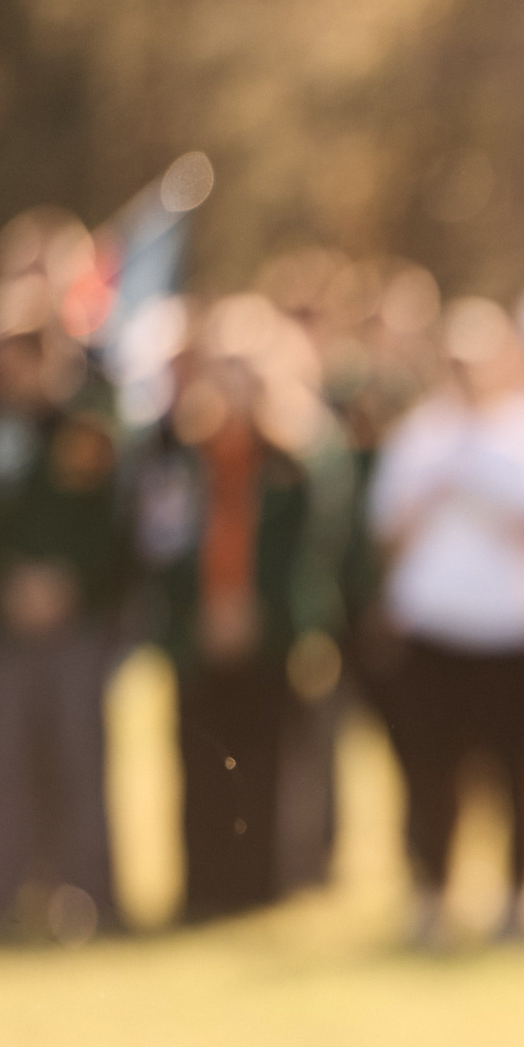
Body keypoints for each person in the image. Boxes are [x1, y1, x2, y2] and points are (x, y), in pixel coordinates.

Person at [368, 292, 524, 943]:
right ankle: (434, 893)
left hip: (516, 631)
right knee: (434, 771)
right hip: (437, 630)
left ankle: (521, 897)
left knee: (521, 771)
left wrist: (499, 507)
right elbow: (387, 531)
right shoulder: (423, 433)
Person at [132, 297, 322, 920]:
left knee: (265, 765)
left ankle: (260, 890)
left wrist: (256, 611)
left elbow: (306, 554)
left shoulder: (293, 463)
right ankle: (202, 889)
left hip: (265, 638)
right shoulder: (179, 456)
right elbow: (161, 548)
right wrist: (201, 613)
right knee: (198, 761)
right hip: (197, 635)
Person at [0, 281, 125, 936]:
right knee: (1, 764)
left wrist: (65, 584)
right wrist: (7, 580)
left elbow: (108, 531)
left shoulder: (87, 435)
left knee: (79, 760)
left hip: (74, 626)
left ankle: (94, 898)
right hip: (3, 624)